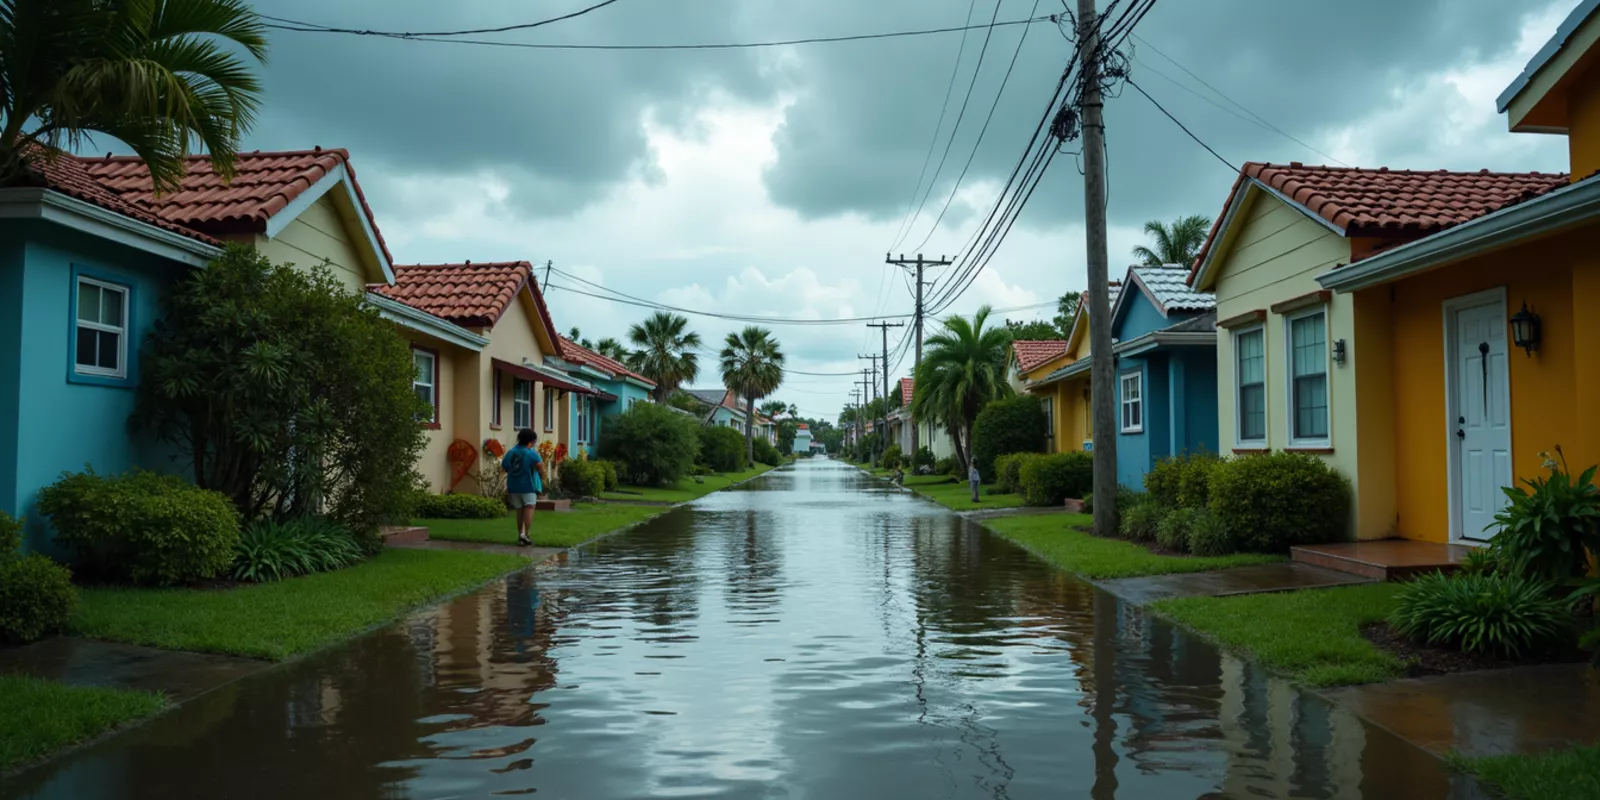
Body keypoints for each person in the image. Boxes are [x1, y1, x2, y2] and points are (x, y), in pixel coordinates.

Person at [501, 429, 548, 547]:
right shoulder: (531, 453)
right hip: (528, 485)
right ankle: (526, 534)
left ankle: (520, 535)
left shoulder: (511, 452)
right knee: (529, 507)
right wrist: (543, 480)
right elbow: (540, 468)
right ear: (531, 441)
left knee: (519, 510)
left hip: (513, 485)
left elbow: (505, 467)